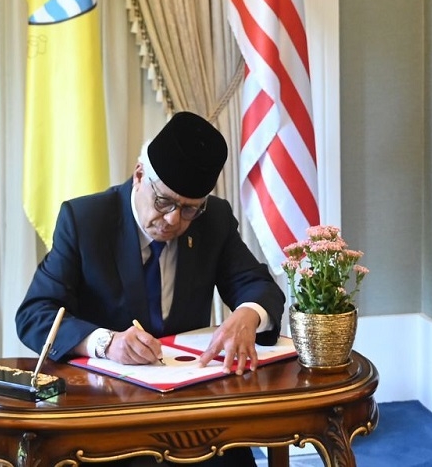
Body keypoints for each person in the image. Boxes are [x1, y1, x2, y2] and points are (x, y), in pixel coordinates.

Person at [17, 110, 285, 467]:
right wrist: (106, 342)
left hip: (191, 409)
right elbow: (35, 314)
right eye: (164, 202)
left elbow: (258, 285)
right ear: (139, 175)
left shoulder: (213, 220)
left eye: (189, 209)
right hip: (107, 411)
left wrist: (249, 314)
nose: (174, 219)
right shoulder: (86, 221)